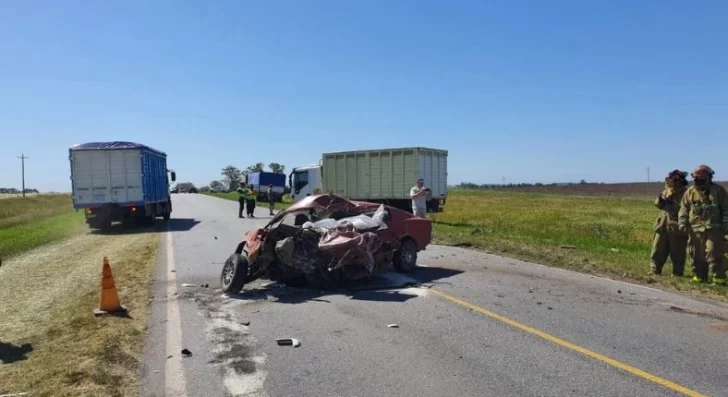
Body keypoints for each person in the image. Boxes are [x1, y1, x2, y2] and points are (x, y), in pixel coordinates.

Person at [678, 164, 728, 286]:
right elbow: (683, 209)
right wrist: (682, 222)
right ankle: (699, 277)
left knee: (714, 252)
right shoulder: (690, 192)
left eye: (703, 178)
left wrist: (726, 224)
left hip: (714, 230)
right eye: (697, 178)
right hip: (695, 230)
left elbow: (726, 208)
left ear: (709, 177)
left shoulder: (718, 191)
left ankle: (719, 279)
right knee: (696, 254)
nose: (700, 181)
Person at [650, 170, 689, 276]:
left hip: (676, 229)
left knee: (678, 253)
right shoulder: (667, 190)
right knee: (657, 250)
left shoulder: (686, 193)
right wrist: (661, 198)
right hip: (662, 226)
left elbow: (687, 210)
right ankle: (655, 271)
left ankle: (677, 273)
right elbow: (657, 204)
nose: (670, 182)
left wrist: (673, 203)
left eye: (673, 180)